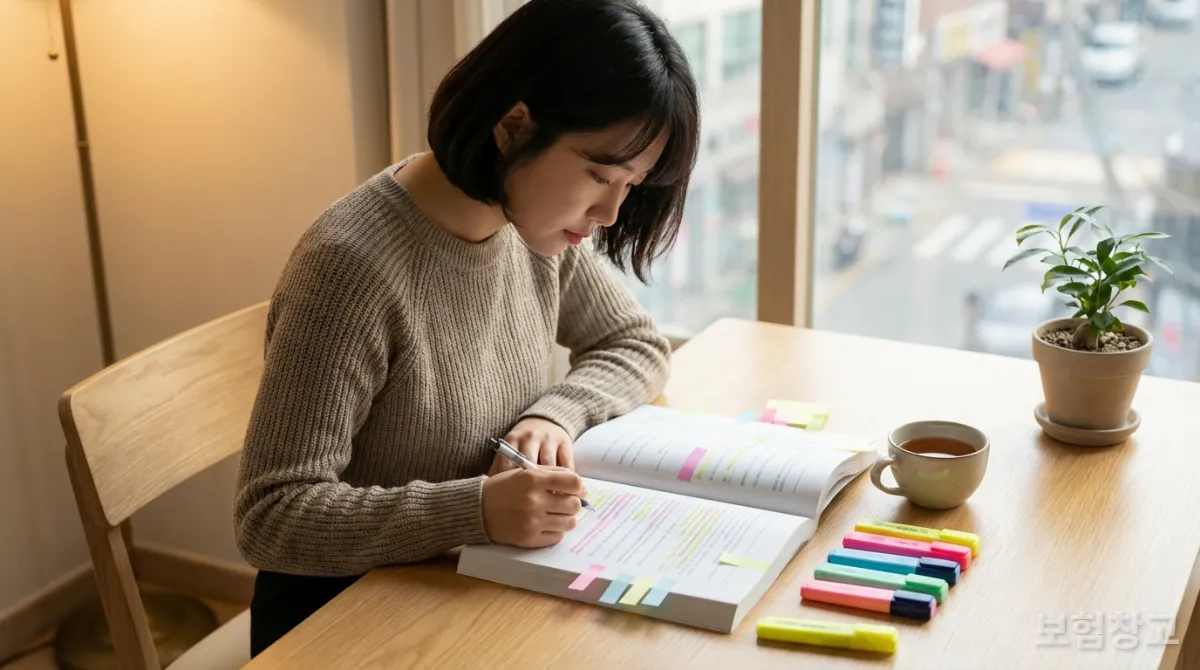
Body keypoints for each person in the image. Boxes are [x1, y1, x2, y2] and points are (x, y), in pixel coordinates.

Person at [233, 0, 700, 656]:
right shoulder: (350, 268)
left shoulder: (533, 231)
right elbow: (272, 517)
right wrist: (475, 510)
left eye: (632, 184)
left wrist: (557, 414)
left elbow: (636, 343)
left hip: (470, 588)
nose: (609, 211)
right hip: (345, 625)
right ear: (513, 126)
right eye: (599, 174)